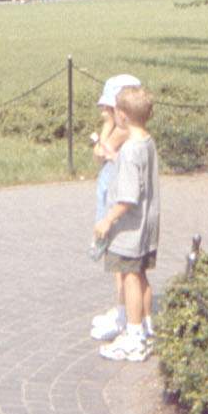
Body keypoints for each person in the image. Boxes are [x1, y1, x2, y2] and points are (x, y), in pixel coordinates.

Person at [93, 83, 159, 362]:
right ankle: (144, 328)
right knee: (141, 275)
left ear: (122, 115)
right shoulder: (145, 142)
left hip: (130, 229)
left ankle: (132, 336)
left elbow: (128, 197)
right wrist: (114, 158)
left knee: (130, 278)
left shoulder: (131, 150)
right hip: (147, 226)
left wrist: (107, 220)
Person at [88, 74, 144, 344]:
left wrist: (107, 127)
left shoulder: (121, 129)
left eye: (109, 108)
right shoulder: (119, 126)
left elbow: (101, 151)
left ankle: (130, 320)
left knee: (125, 266)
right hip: (109, 194)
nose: (104, 112)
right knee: (118, 265)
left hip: (118, 202)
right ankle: (123, 312)